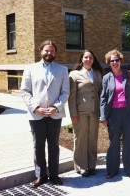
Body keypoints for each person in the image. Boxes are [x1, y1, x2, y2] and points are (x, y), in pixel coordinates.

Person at [21, 40, 70, 188]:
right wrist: (36, 108)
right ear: (40, 51)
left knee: (54, 146)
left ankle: (54, 175)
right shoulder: (30, 69)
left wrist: (56, 107)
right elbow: (25, 91)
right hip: (36, 115)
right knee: (38, 146)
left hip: (55, 115)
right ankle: (40, 175)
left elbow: (65, 92)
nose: (49, 53)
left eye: (52, 51)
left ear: (55, 53)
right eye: (46, 50)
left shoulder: (62, 70)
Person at [100, 49, 130, 179]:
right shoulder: (106, 78)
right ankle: (112, 170)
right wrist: (103, 116)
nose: (114, 62)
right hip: (113, 114)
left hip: (128, 112)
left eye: (116, 60)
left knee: (129, 141)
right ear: (109, 63)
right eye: (111, 61)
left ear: (120, 61)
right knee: (114, 142)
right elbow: (103, 98)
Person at [68, 50, 103, 177]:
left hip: (95, 112)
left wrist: (102, 112)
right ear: (82, 59)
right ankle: (81, 167)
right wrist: (73, 114)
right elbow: (71, 96)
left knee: (92, 139)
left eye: (91, 57)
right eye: (86, 57)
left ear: (93, 60)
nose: (88, 59)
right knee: (80, 139)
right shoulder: (74, 74)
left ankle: (92, 165)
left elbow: (100, 93)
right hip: (80, 112)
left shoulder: (98, 73)